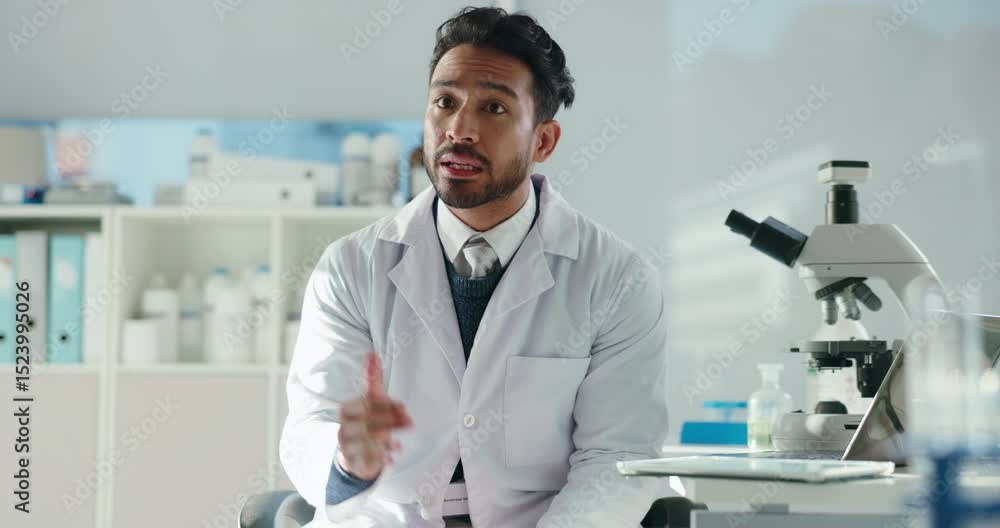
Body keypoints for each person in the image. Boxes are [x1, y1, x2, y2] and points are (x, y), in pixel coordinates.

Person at [281, 6, 669, 527]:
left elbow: (616, 460)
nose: (459, 129)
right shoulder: (350, 268)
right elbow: (311, 426)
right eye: (445, 102)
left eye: (494, 108)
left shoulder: (616, 280)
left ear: (544, 141)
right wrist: (349, 462)